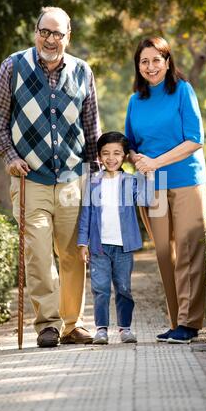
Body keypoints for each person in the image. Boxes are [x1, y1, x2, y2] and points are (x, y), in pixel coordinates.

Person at [0, 6, 101, 347]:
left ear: (68, 36)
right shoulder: (13, 66)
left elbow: (91, 129)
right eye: (44, 31)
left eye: (57, 34)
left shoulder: (82, 72)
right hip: (29, 179)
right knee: (37, 251)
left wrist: (94, 175)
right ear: (36, 31)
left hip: (70, 181)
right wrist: (10, 156)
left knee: (71, 254)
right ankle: (47, 324)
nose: (50, 39)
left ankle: (72, 324)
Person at [125, 37, 206, 344]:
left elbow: (195, 139)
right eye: (144, 62)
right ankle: (176, 322)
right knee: (163, 253)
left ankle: (189, 322)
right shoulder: (136, 100)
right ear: (138, 67)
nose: (151, 66)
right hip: (153, 186)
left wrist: (157, 161)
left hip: (186, 180)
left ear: (168, 61)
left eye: (156, 60)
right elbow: (130, 144)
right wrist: (137, 160)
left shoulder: (183, 91)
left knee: (188, 248)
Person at [77, 131, 153, 344]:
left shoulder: (130, 181)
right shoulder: (92, 182)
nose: (111, 158)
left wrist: (148, 174)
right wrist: (82, 243)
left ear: (124, 157)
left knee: (124, 288)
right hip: (98, 247)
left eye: (117, 153)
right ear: (99, 157)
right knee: (100, 289)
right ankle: (101, 329)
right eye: (106, 153)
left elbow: (146, 199)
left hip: (123, 247)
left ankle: (125, 328)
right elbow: (86, 214)